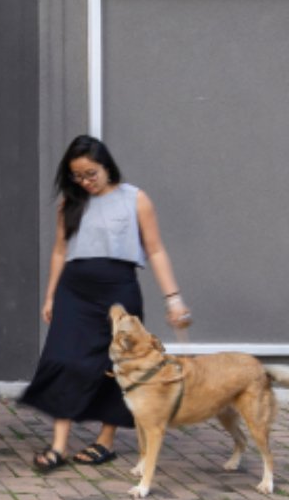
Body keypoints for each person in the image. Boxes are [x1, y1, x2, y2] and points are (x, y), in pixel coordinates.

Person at [21, 134, 191, 472]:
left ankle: (105, 441)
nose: (85, 182)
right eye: (77, 176)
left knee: (117, 364)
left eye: (91, 174)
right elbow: (59, 251)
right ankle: (59, 446)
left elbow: (155, 249)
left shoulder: (135, 199)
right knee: (63, 359)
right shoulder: (70, 203)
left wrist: (173, 299)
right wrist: (51, 294)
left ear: (106, 167)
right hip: (74, 291)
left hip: (119, 290)